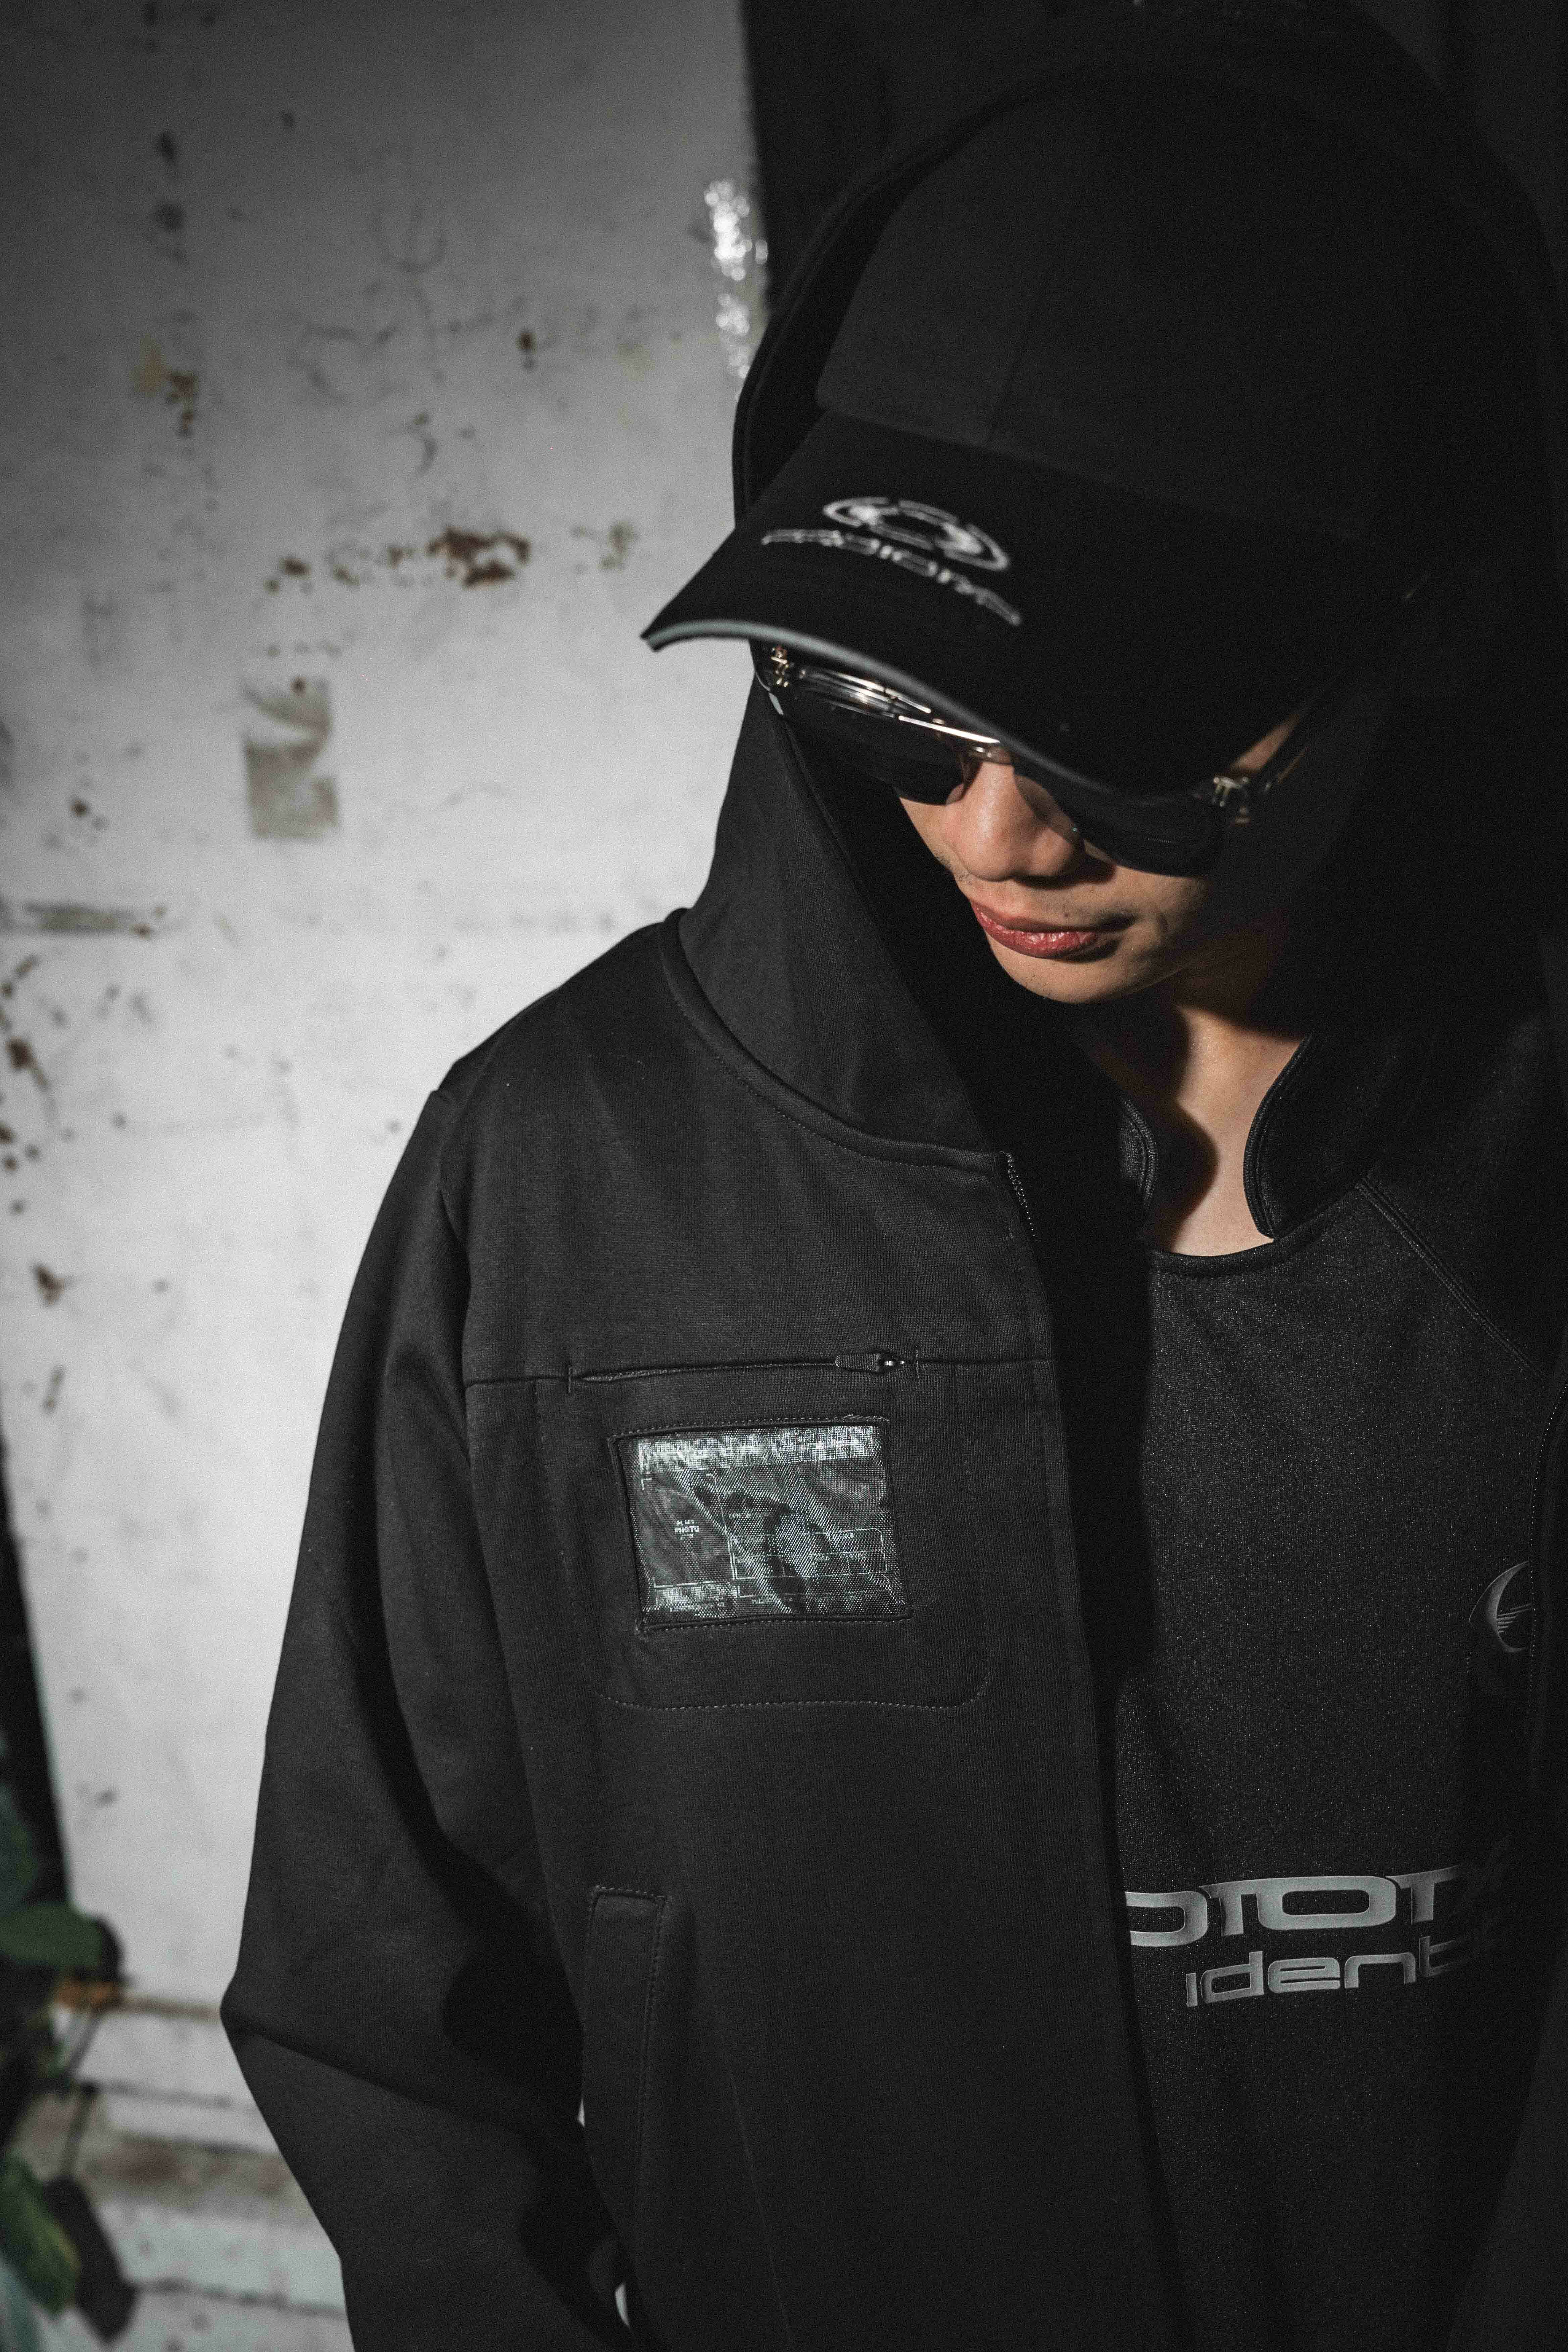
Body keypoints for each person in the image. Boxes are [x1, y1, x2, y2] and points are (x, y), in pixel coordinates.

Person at [223, 2, 1568, 2345]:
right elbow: (385, 2003)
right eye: (894, 705)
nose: (999, 832)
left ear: (1432, 626)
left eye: (1121, 729)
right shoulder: (560, 1184)